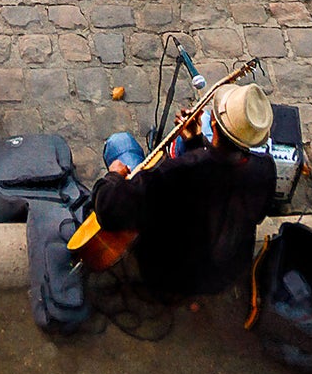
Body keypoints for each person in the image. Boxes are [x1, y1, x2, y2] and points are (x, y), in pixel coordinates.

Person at [89, 83, 278, 301]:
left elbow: (109, 209)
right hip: (224, 274)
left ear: (214, 124)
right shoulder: (264, 169)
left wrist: (114, 175)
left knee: (119, 143)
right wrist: (195, 142)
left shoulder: (177, 172)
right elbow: (217, 183)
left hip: (168, 275)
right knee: (179, 142)